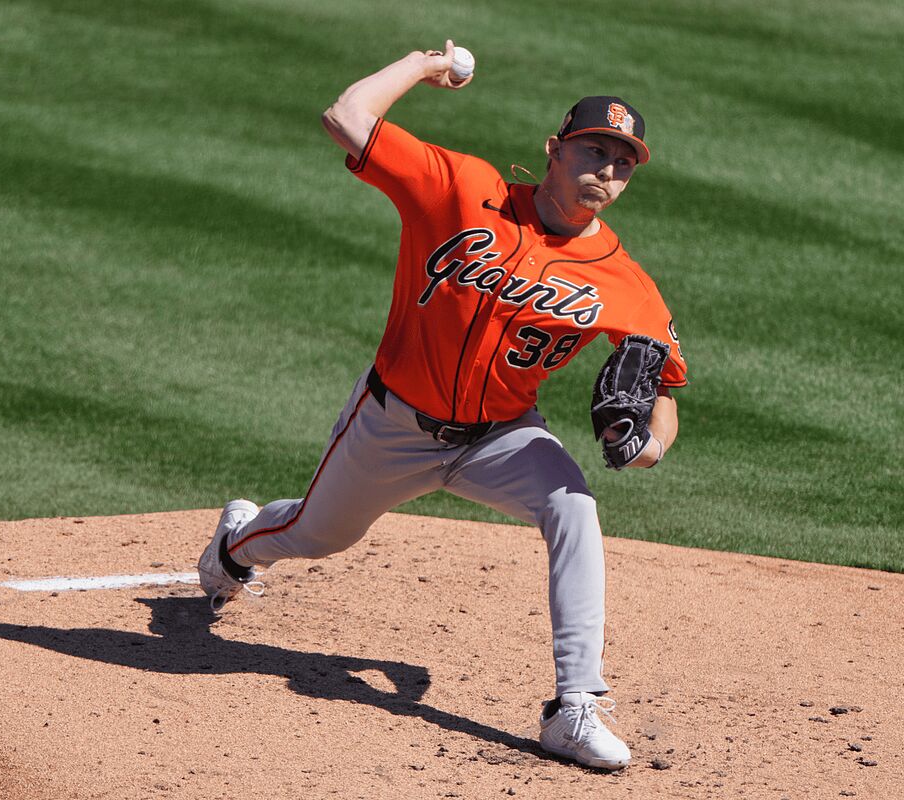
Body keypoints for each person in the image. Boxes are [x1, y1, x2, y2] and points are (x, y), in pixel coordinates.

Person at [197, 40, 687, 771]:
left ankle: (575, 706)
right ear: (554, 150)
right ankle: (235, 543)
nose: (606, 171)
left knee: (574, 507)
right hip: (392, 425)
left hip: (502, 440)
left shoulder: (624, 282)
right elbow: (346, 116)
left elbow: (666, 390)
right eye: (593, 151)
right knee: (315, 534)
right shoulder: (463, 190)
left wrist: (647, 445)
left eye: (622, 162)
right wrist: (424, 67)